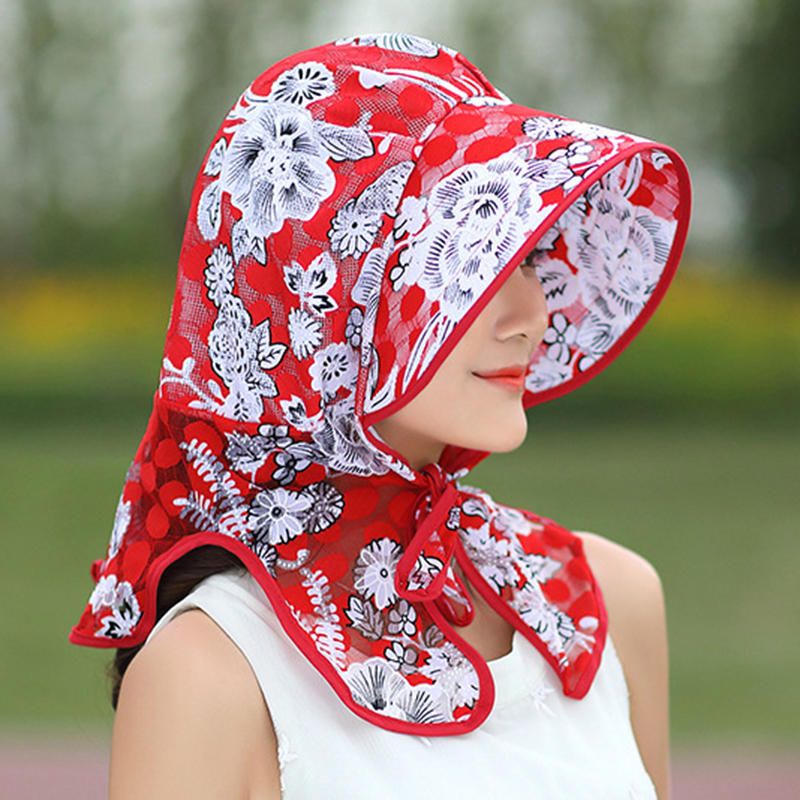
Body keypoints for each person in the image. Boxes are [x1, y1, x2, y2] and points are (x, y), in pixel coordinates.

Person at [68, 31, 691, 800]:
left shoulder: (608, 605)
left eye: (524, 255)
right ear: (328, 295)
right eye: (469, 262)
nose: (531, 313)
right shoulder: (213, 675)